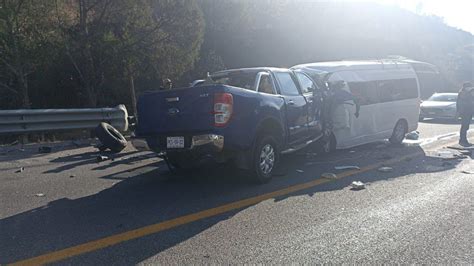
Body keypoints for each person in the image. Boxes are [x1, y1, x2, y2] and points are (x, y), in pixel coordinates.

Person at [456, 82, 474, 146]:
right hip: (465, 112)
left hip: (468, 112)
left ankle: (463, 139)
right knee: (464, 126)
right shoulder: (463, 93)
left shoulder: (468, 93)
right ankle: (462, 140)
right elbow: (463, 103)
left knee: (466, 126)